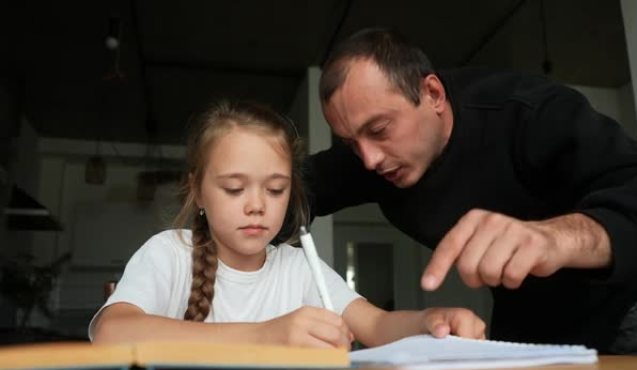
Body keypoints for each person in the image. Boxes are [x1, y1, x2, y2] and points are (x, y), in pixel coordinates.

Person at [305, 28, 637, 354]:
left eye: (380, 129)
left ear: (433, 94)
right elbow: (284, 186)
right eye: (351, 143)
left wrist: (556, 237)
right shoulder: (367, 158)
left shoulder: (530, 111)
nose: (368, 159)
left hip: (632, 302)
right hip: (526, 312)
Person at [89, 100, 486, 348]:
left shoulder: (297, 268)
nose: (257, 206)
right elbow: (112, 333)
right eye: (233, 188)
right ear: (199, 190)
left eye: (276, 190)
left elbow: (378, 325)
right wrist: (263, 336)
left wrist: (430, 321)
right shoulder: (170, 253)